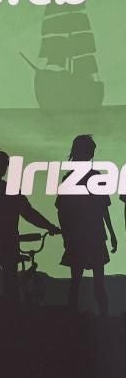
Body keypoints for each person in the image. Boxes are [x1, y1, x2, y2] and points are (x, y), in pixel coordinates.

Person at [0, 149, 59, 300]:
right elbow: (29, 214)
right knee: (11, 283)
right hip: (8, 243)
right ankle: (13, 317)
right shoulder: (10, 191)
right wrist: (49, 226)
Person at [56, 134, 117, 314]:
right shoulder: (83, 178)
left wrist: (112, 234)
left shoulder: (71, 178)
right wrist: (112, 234)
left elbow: (62, 212)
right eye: (90, 151)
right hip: (89, 236)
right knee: (92, 280)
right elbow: (102, 208)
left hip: (87, 236)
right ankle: (99, 317)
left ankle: (80, 318)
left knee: (80, 281)